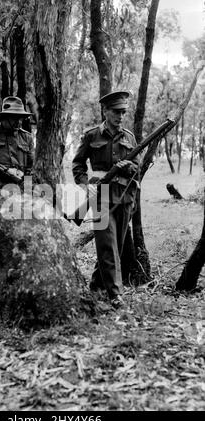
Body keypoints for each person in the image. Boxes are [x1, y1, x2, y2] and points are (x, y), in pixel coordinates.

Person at [72, 91, 140, 309]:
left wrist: (130, 167)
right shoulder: (92, 135)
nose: (120, 116)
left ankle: (96, 286)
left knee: (115, 247)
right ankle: (116, 295)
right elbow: (78, 165)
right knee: (108, 247)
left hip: (124, 198)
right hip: (100, 198)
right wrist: (88, 185)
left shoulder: (129, 137)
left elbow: (137, 167)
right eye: (116, 112)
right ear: (105, 111)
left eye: (123, 112)